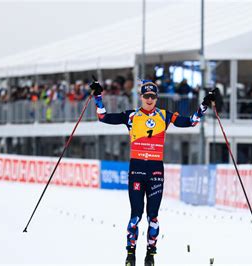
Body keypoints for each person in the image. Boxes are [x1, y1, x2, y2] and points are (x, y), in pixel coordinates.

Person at [90, 79, 215, 266]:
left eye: (153, 96)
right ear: (141, 97)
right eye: (146, 96)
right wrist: (98, 96)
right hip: (137, 170)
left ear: (156, 98)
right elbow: (103, 117)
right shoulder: (131, 116)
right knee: (136, 215)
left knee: (153, 217)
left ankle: (150, 254)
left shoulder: (164, 115)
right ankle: (130, 254)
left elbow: (191, 122)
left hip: (156, 171)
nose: (149, 99)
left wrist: (203, 106)